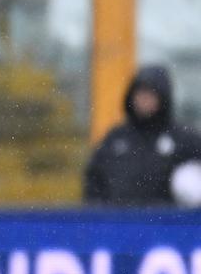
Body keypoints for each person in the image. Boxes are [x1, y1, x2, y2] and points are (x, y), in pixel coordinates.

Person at [84, 65, 201, 206]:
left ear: (163, 98)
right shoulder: (116, 138)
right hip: (119, 218)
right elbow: (94, 180)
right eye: (140, 93)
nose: (144, 99)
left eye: (151, 94)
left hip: (167, 219)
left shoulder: (183, 139)